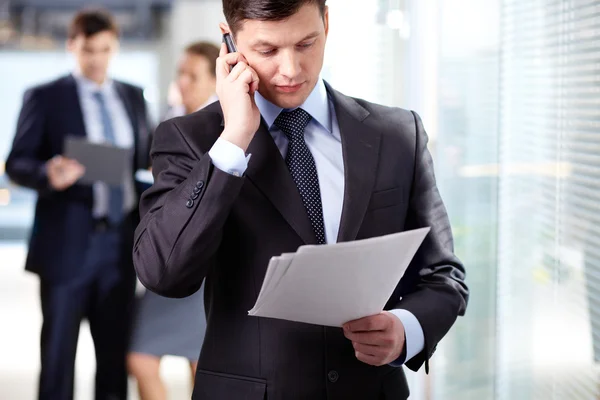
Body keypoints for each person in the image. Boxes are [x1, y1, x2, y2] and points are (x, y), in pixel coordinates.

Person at [132, 1, 469, 399]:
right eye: (267, 50)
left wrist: (406, 330)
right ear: (230, 40)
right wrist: (233, 141)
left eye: (306, 43)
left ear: (326, 23)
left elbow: (444, 275)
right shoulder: (191, 141)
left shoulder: (396, 134)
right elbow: (163, 273)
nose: (290, 69)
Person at [6, 9, 152, 400]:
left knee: (113, 357)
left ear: (115, 47)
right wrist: (47, 173)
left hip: (119, 245)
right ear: (72, 46)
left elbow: (145, 160)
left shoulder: (132, 97)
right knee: (57, 358)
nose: (97, 59)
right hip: (66, 244)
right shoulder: (45, 97)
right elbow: (17, 162)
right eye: (88, 50)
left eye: (105, 49)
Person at [127, 41, 219, 400]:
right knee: (142, 357)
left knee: (200, 363)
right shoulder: (175, 123)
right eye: (180, 73)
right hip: (169, 254)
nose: (182, 81)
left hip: (204, 260)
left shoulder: (224, 126)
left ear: (215, 80)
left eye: (192, 75)